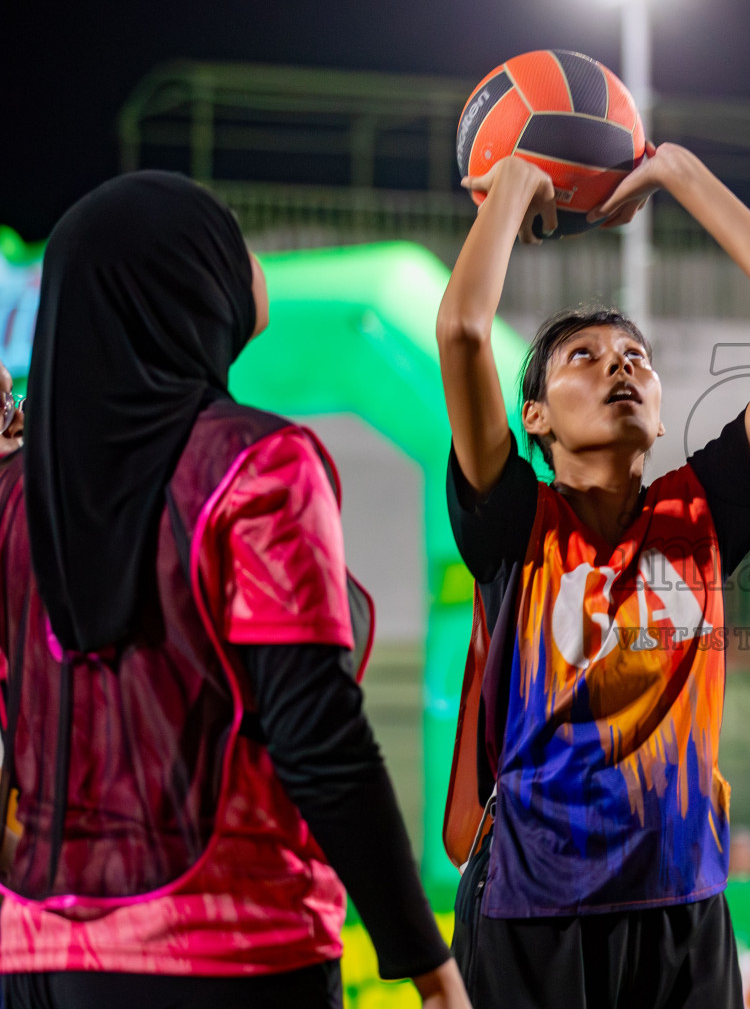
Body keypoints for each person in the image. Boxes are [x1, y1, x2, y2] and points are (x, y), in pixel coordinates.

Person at [0, 172, 467, 1009]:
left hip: (32, 960)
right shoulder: (256, 467)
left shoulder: (10, 499)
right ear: (189, 280)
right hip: (228, 952)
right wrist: (426, 964)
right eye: (232, 239)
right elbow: (316, 734)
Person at [436, 141, 750, 1007]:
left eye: (634, 355)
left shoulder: (704, 511)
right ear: (535, 419)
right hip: (532, 910)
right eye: (582, 359)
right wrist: (515, 180)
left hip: (684, 908)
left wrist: (678, 175)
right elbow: (462, 329)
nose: (619, 365)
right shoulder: (515, 523)